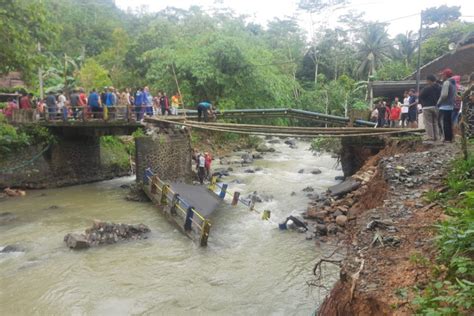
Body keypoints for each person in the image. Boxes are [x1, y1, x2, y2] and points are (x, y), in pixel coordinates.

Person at [437, 68, 457, 142]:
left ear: (445, 75)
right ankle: (450, 138)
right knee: (448, 122)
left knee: (443, 122)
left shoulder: (446, 83)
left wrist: (438, 102)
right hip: (451, 105)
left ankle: (445, 138)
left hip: (444, 105)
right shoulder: (454, 83)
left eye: (443, 75)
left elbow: (444, 95)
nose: (442, 76)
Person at [419, 74, 441, 141]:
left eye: (427, 80)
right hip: (436, 106)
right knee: (435, 122)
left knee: (428, 123)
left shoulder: (427, 88)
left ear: (429, 80)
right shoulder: (440, 87)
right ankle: (437, 137)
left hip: (427, 107)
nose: (426, 82)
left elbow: (421, 95)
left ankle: (431, 137)